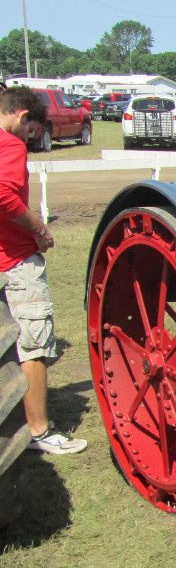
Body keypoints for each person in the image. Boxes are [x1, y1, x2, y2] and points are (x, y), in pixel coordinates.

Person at [0, 87, 86, 454]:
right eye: (32, 129)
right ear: (23, 116)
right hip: (16, 260)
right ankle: (39, 431)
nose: (31, 138)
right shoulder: (10, 144)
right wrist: (39, 228)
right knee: (33, 344)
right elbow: (4, 194)